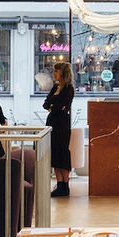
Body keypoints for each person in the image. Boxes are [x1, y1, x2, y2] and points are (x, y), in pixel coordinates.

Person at [43, 61, 75, 197]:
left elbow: (60, 105)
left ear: (63, 73)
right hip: (52, 121)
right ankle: (59, 183)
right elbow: (46, 104)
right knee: (54, 151)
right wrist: (53, 106)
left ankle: (65, 185)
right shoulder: (55, 87)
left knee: (62, 150)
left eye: (56, 71)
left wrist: (53, 106)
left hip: (62, 122)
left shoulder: (69, 88)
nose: (54, 73)